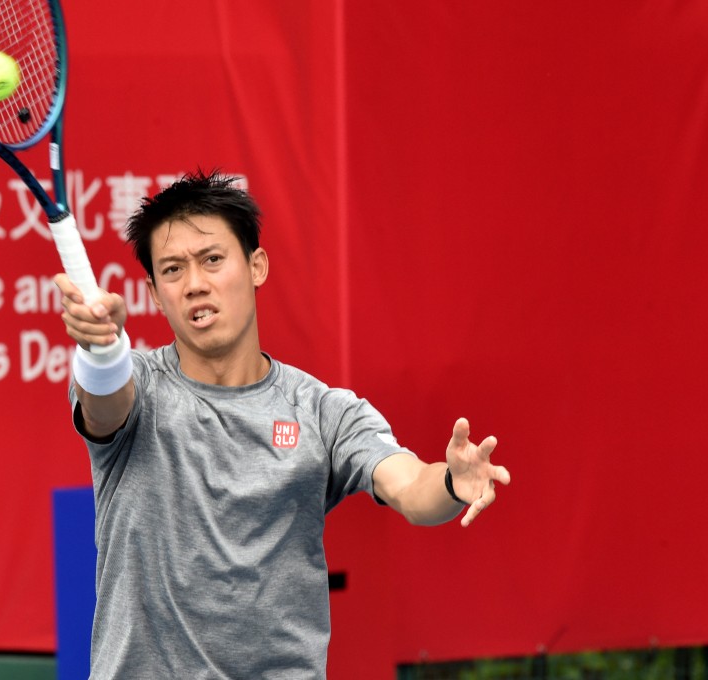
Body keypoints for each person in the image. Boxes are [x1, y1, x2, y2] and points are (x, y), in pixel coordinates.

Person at [55, 170, 511, 679]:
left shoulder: (324, 412)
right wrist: (101, 348)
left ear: (256, 266)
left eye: (211, 259)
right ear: (156, 294)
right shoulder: (137, 387)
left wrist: (450, 481)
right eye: (173, 270)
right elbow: (104, 404)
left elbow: (409, 486)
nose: (195, 284)